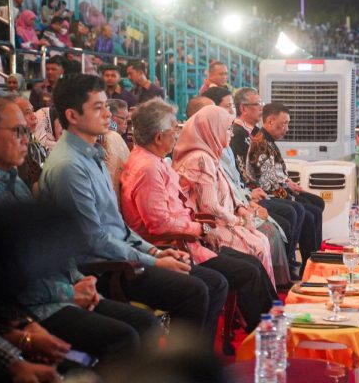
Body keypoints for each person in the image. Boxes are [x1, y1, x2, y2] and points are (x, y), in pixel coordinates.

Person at [0, 97, 161, 370]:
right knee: (124, 338)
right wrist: (69, 292)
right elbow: (5, 283)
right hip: (31, 309)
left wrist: (80, 281)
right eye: (18, 131)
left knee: (146, 323)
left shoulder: (14, 182)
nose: (26, 138)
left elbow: (47, 250)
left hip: (60, 292)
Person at [38, 73, 228, 346]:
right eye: (98, 108)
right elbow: (93, 240)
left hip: (122, 253)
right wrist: (154, 261)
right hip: (103, 267)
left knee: (214, 283)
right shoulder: (69, 166)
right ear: (72, 115)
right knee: (196, 289)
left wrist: (154, 252)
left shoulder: (90, 155)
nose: (108, 114)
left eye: (106, 106)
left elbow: (117, 225)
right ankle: (180, 365)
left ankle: (193, 361)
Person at [121, 98, 276, 333]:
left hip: (190, 238)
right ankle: (264, 333)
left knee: (251, 265)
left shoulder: (154, 160)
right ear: (159, 137)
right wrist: (201, 229)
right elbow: (159, 224)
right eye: (173, 129)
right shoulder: (148, 168)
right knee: (242, 273)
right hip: (173, 245)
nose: (177, 134)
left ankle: (271, 325)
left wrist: (204, 227)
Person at [172, 105, 276, 288]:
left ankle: (266, 302)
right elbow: (209, 206)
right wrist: (238, 221)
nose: (232, 133)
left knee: (262, 239)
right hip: (210, 226)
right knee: (258, 245)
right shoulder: (200, 159)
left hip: (221, 220)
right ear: (212, 129)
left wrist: (240, 208)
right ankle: (260, 304)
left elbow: (229, 189)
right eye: (227, 128)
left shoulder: (210, 154)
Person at [231, 88, 308, 274]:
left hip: (257, 189)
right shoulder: (238, 134)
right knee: (294, 210)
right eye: (257, 104)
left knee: (305, 206)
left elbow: (272, 167)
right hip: (250, 193)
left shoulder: (255, 132)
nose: (261, 108)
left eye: (262, 103)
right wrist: (251, 192)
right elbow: (242, 171)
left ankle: (298, 262)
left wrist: (286, 182)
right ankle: (285, 268)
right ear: (243, 108)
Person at [245, 102, 324, 271]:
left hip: (276, 188)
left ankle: (313, 260)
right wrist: (290, 195)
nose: (287, 128)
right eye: (284, 123)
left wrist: (288, 182)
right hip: (264, 194)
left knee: (317, 204)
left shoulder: (268, 140)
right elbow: (267, 184)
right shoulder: (261, 143)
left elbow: (276, 173)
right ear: (270, 121)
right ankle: (303, 264)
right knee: (307, 212)